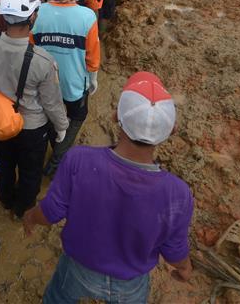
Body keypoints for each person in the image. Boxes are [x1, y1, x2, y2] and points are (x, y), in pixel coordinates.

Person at [23, 72, 194, 303]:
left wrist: (31, 216)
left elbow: (50, 213)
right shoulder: (178, 194)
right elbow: (174, 250)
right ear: (170, 130)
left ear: (116, 117)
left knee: (57, 298)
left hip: (78, 267)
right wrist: (184, 268)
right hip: (130, 282)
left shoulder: (79, 160)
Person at [0, 0, 68, 219]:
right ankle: (23, 209)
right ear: (32, 16)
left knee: (5, 165)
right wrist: (62, 128)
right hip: (33, 129)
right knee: (30, 173)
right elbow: (51, 103)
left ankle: (5, 199)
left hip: (1, 123)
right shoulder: (43, 60)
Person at [32, 0, 100, 176]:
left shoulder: (36, 13)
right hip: (74, 84)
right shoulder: (87, 16)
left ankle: (56, 144)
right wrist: (93, 79)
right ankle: (58, 158)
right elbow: (92, 59)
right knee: (78, 116)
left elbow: (31, 51)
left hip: (44, 84)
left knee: (52, 117)